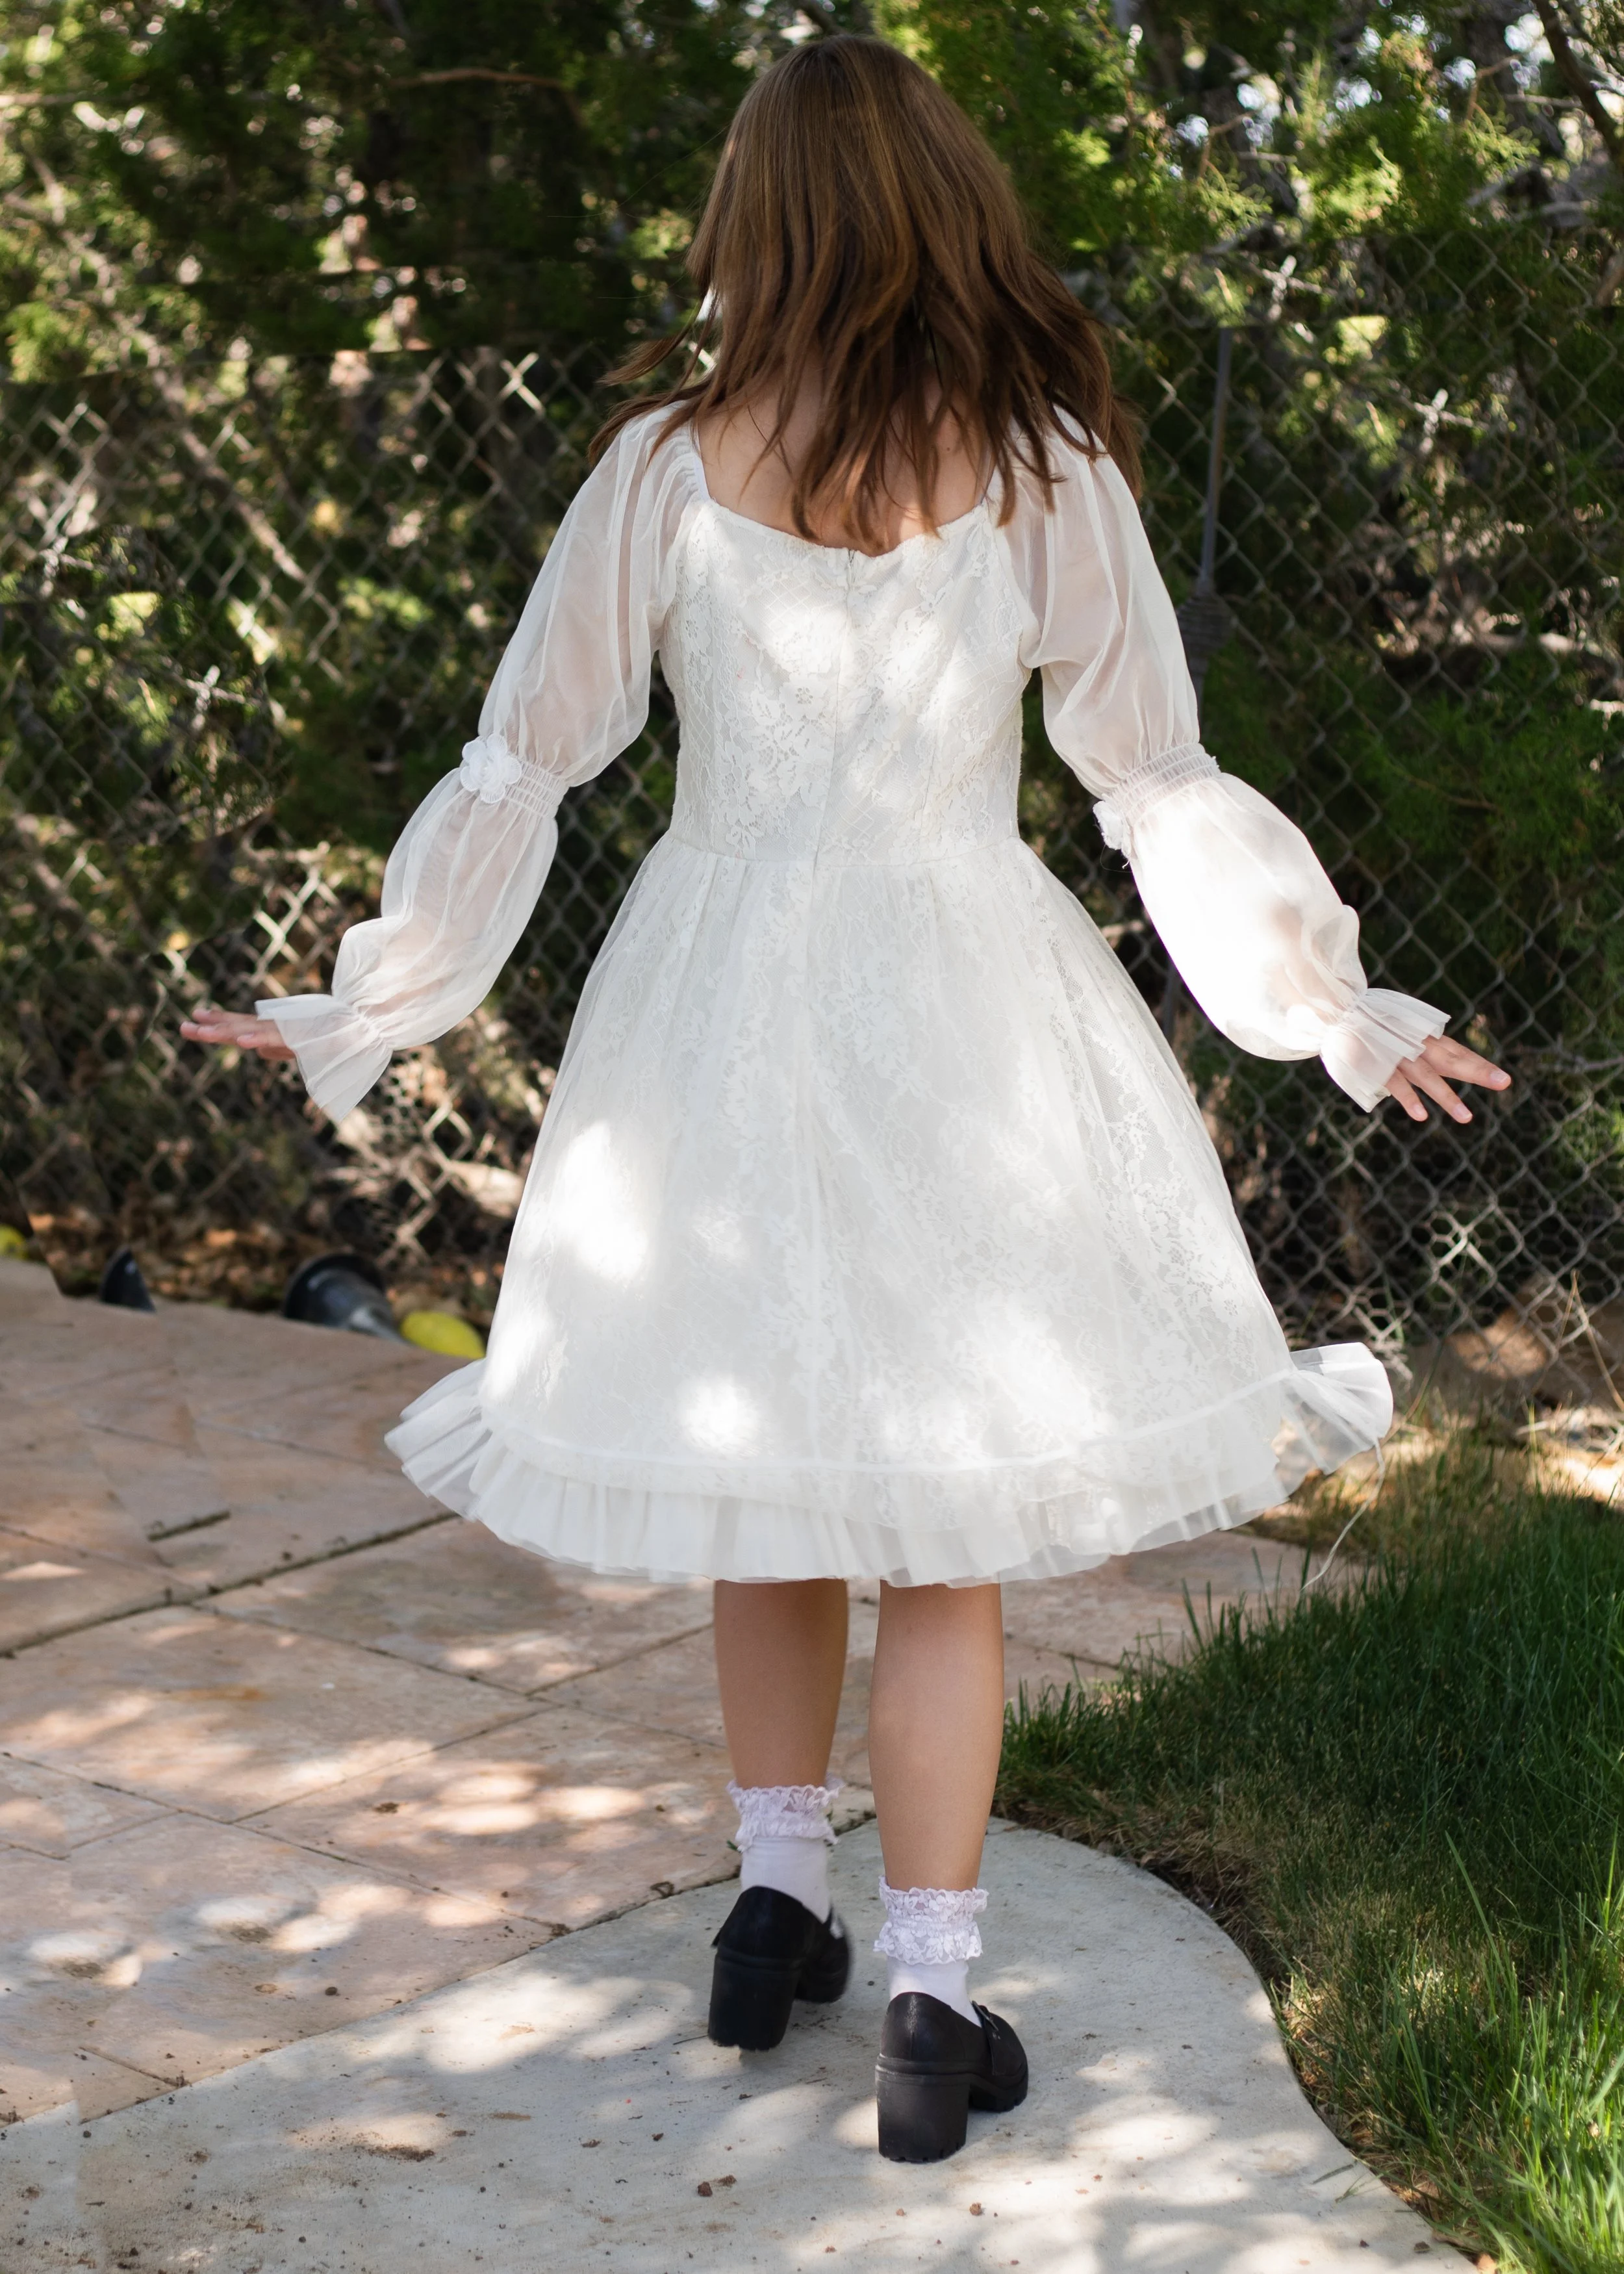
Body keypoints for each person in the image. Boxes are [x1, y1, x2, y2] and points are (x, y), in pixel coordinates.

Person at [184, 34, 1509, 2164]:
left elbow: (523, 760)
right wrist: (1326, 1005)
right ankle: (925, 1992)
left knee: (761, 1469)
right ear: (948, 211)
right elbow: (1148, 774)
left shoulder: (661, 467)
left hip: (708, 1006)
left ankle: (767, 1903)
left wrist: (371, 998)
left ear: (751, 229)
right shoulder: (1045, 465)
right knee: (941, 1533)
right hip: (960, 1001)